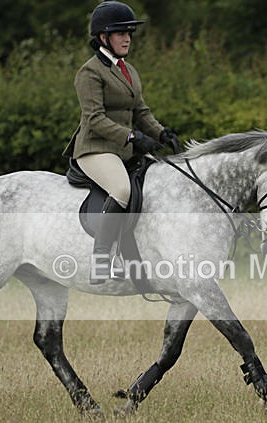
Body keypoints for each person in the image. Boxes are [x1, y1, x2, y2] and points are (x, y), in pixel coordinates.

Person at [63, 1, 179, 284]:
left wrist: (161, 133)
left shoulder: (128, 70)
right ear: (104, 37)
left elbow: (141, 112)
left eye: (129, 32)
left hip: (122, 150)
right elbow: (94, 119)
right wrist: (131, 136)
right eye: (120, 33)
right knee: (121, 188)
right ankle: (101, 260)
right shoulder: (89, 73)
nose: (127, 38)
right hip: (95, 149)